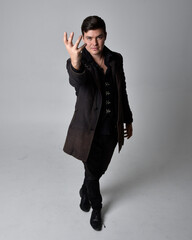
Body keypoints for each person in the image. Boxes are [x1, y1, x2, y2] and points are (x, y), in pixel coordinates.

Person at [63, 15, 133, 231]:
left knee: (98, 170)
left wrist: (128, 119)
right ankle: (96, 208)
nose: (94, 43)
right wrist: (75, 61)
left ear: (105, 36)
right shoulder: (77, 61)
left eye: (99, 37)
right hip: (88, 130)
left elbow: (122, 91)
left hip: (111, 128)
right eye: (89, 37)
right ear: (83, 37)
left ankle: (84, 190)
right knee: (93, 174)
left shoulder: (116, 59)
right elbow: (76, 80)